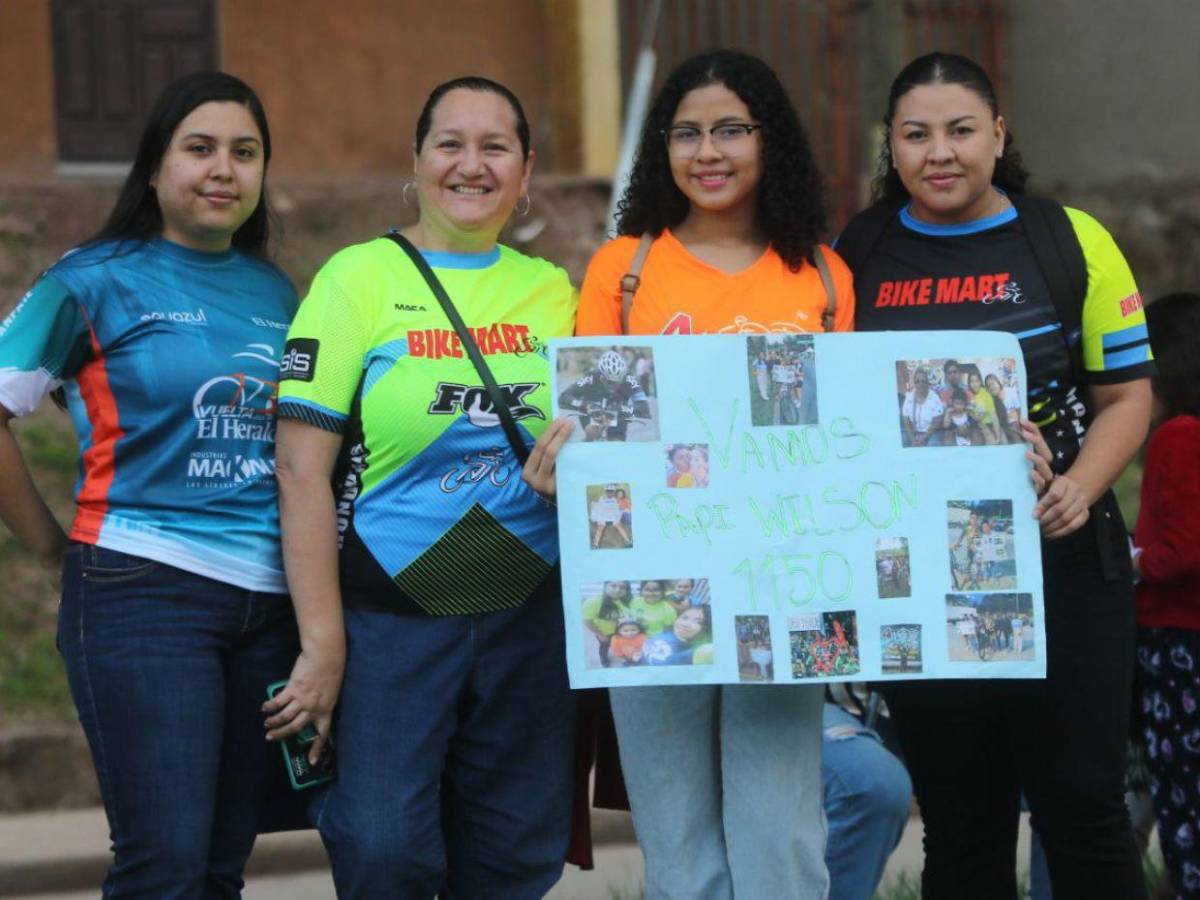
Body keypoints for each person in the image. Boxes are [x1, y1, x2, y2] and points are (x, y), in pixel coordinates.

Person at [532, 48, 854, 898]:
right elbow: (590, 423)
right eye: (686, 133)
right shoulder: (622, 269)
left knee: (782, 829)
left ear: (769, 140)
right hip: (648, 581)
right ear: (662, 150)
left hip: (784, 578)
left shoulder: (823, 276)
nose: (707, 152)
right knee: (676, 844)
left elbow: (848, 441)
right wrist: (565, 464)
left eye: (730, 131)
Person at [838, 52, 1153, 899]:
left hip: (1065, 566)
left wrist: (1079, 488)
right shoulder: (857, 252)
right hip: (924, 581)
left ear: (999, 135)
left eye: (961, 130)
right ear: (891, 147)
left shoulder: (1068, 239)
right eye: (916, 134)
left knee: (1083, 811)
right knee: (961, 822)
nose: (940, 152)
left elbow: (1126, 394)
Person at [264, 76, 577, 898]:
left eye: (494, 146)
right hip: (390, 622)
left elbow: (608, 447)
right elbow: (300, 472)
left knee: (515, 856)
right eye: (450, 144)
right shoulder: (355, 280)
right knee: (382, 848)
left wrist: (577, 471)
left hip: (527, 621)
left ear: (526, 168)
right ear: (417, 159)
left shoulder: (556, 293)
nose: (470, 166)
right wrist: (323, 644)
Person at [0, 72, 300, 896]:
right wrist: (48, 544)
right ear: (155, 166)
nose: (223, 170)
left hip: (268, 608)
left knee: (220, 868)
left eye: (245, 153)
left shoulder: (277, 292)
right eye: (199, 148)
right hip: (141, 592)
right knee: (162, 864)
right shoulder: (92, 279)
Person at [1131, 292, 1200, 898]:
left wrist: (1132, 561)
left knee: (1178, 785)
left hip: (1178, 645)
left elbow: (1183, 548)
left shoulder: (1180, 436)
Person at [557, 348, 651, 440]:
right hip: (594, 407)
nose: (613, 386)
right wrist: (585, 404)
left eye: (616, 382)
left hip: (618, 410)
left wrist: (622, 408)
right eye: (609, 382)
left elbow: (644, 408)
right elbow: (564, 397)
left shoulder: (629, 378)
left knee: (616, 441)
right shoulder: (592, 376)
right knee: (592, 433)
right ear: (602, 377)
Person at [583, 580, 635, 667]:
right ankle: (604, 660)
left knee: (620, 645)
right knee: (604, 647)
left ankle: (623, 655)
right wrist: (600, 634)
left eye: (622, 587)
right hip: (604, 633)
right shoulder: (593, 602)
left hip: (621, 633)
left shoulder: (626, 601)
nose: (618, 590)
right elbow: (588, 621)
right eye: (613, 586)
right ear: (605, 586)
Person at [642, 604, 714, 666]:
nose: (686, 624)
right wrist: (694, 653)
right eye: (684, 618)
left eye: (698, 622)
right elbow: (663, 667)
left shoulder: (679, 639)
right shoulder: (666, 640)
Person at [902, 367, 945, 446]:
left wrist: (923, 438)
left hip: (932, 433)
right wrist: (913, 440)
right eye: (917, 381)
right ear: (915, 383)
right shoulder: (909, 398)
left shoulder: (934, 398)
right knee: (904, 441)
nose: (920, 384)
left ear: (927, 383)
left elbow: (936, 422)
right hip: (915, 433)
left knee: (933, 445)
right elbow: (906, 421)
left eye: (923, 381)